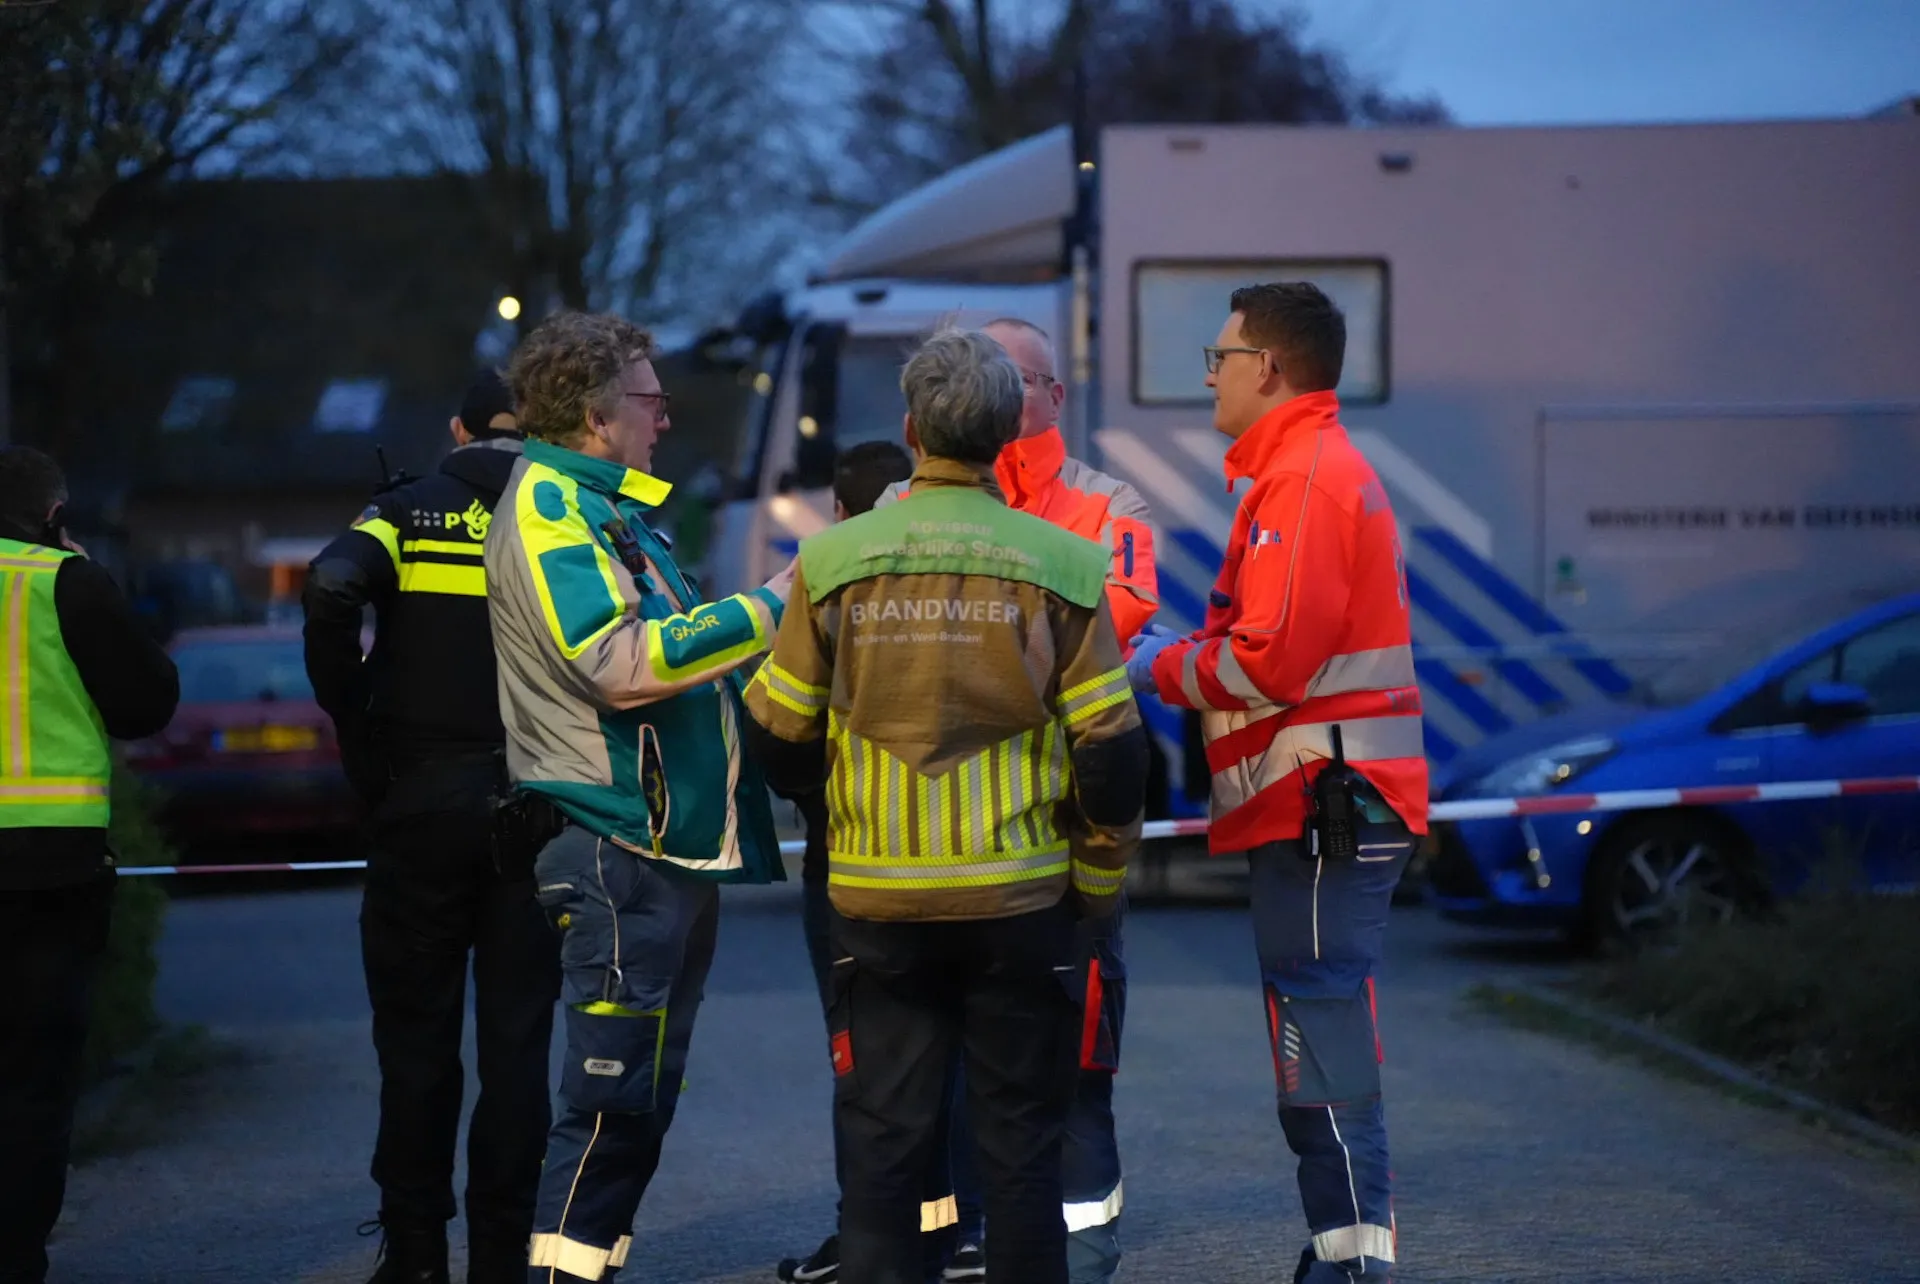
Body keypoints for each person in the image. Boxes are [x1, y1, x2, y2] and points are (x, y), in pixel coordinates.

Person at [743, 328, 1149, 1284]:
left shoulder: (834, 560)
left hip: (878, 905)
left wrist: (838, 819)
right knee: (1020, 1156)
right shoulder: (1065, 563)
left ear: (913, 428)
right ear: (1007, 428)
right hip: (1021, 902)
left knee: (884, 1155)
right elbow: (1113, 752)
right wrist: (1093, 885)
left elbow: (777, 734)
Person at [1125, 283, 1428, 1284]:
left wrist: (1155, 666)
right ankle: (1347, 1251)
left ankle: (1351, 1262)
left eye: (1222, 356)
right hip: (1327, 799)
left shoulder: (1303, 481)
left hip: (1320, 803)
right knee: (1320, 1012)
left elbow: (1266, 665)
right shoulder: (1303, 473)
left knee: (1316, 1019)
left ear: (1273, 369)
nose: (1209, 375)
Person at [483, 310, 794, 1284]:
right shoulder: (552, 512)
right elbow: (617, 664)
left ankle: (585, 1269)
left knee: (641, 1098)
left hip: (656, 847)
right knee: (612, 1100)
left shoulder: (610, 509)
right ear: (593, 412)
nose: (664, 421)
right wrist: (776, 605)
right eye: (652, 401)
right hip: (617, 845)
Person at [877, 318, 1156, 1283]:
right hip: (931, 844)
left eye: (1015, 377)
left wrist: (971, 654)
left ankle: (1079, 1249)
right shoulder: (895, 500)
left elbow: (1124, 615)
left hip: (1058, 838)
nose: (993, 392)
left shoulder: (1107, 503)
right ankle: (958, 1241)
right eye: (979, 374)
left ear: (1055, 397)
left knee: (1076, 1065)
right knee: (937, 1075)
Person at [302, 370, 560, 1284]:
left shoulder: (408, 510)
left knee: (416, 1043)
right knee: (519, 1050)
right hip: (538, 808)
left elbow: (332, 583)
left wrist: (358, 720)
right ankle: (503, 1256)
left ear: (458, 429)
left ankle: (415, 1254)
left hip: (419, 804)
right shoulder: (565, 513)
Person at [0, 446, 179, 1284]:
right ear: (52, 514)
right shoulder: (61, 582)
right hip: (50, 867)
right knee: (36, 1077)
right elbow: (148, 703)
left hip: (51, 869)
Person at [775, 441, 932, 1284]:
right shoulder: (965, 573)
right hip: (976, 862)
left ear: (838, 512)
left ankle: (871, 1244)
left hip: (849, 863)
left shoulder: (825, 580)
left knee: (863, 1065)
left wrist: (815, 797)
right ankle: (953, 1232)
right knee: (952, 1061)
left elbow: (779, 726)